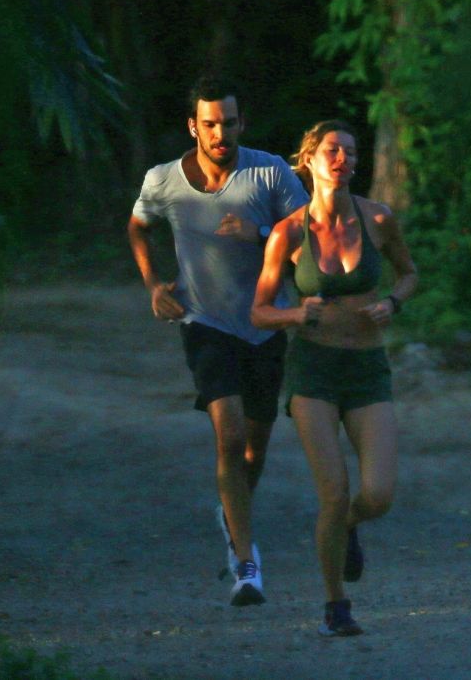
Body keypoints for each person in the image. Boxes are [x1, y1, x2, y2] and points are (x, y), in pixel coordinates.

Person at [127, 76, 309, 607]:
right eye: (209, 123)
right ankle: (247, 565)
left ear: (240, 124)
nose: (219, 132)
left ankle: (232, 513)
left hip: (265, 322)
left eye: (228, 122)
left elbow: (301, 241)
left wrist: (258, 236)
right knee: (228, 438)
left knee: (254, 450)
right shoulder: (164, 181)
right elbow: (138, 226)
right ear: (193, 126)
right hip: (204, 323)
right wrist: (154, 284)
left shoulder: (269, 172)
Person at [251, 120, 417, 636]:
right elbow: (259, 310)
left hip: (367, 370)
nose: (343, 159)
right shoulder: (288, 232)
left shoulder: (379, 219)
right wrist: (295, 315)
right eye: (332, 150)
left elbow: (409, 273)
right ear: (309, 160)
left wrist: (392, 301)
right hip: (313, 372)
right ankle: (335, 605)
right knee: (333, 491)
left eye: (350, 151)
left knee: (379, 495)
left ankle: (348, 528)